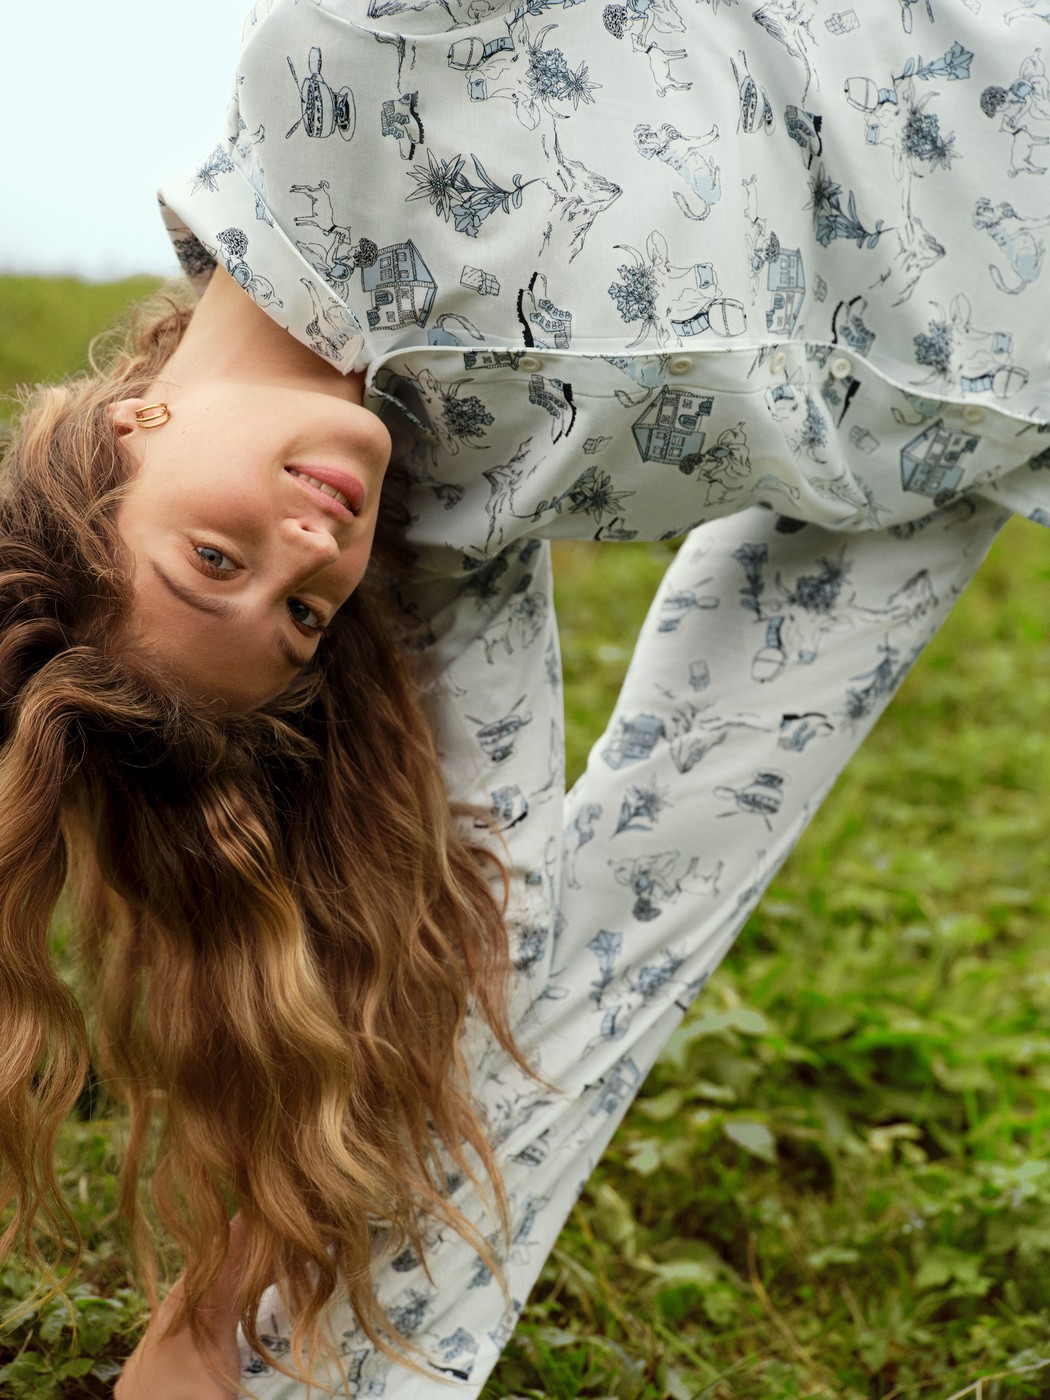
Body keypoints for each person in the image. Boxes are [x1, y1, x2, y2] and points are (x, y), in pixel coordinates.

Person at [4, 0, 1049, 1395]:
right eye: (296, 619)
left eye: (214, 561)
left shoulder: (340, 64)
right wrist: (212, 1313)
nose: (306, 555)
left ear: (128, 431)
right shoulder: (414, 525)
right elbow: (469, 943)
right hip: (929, 465)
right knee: (598, 929)